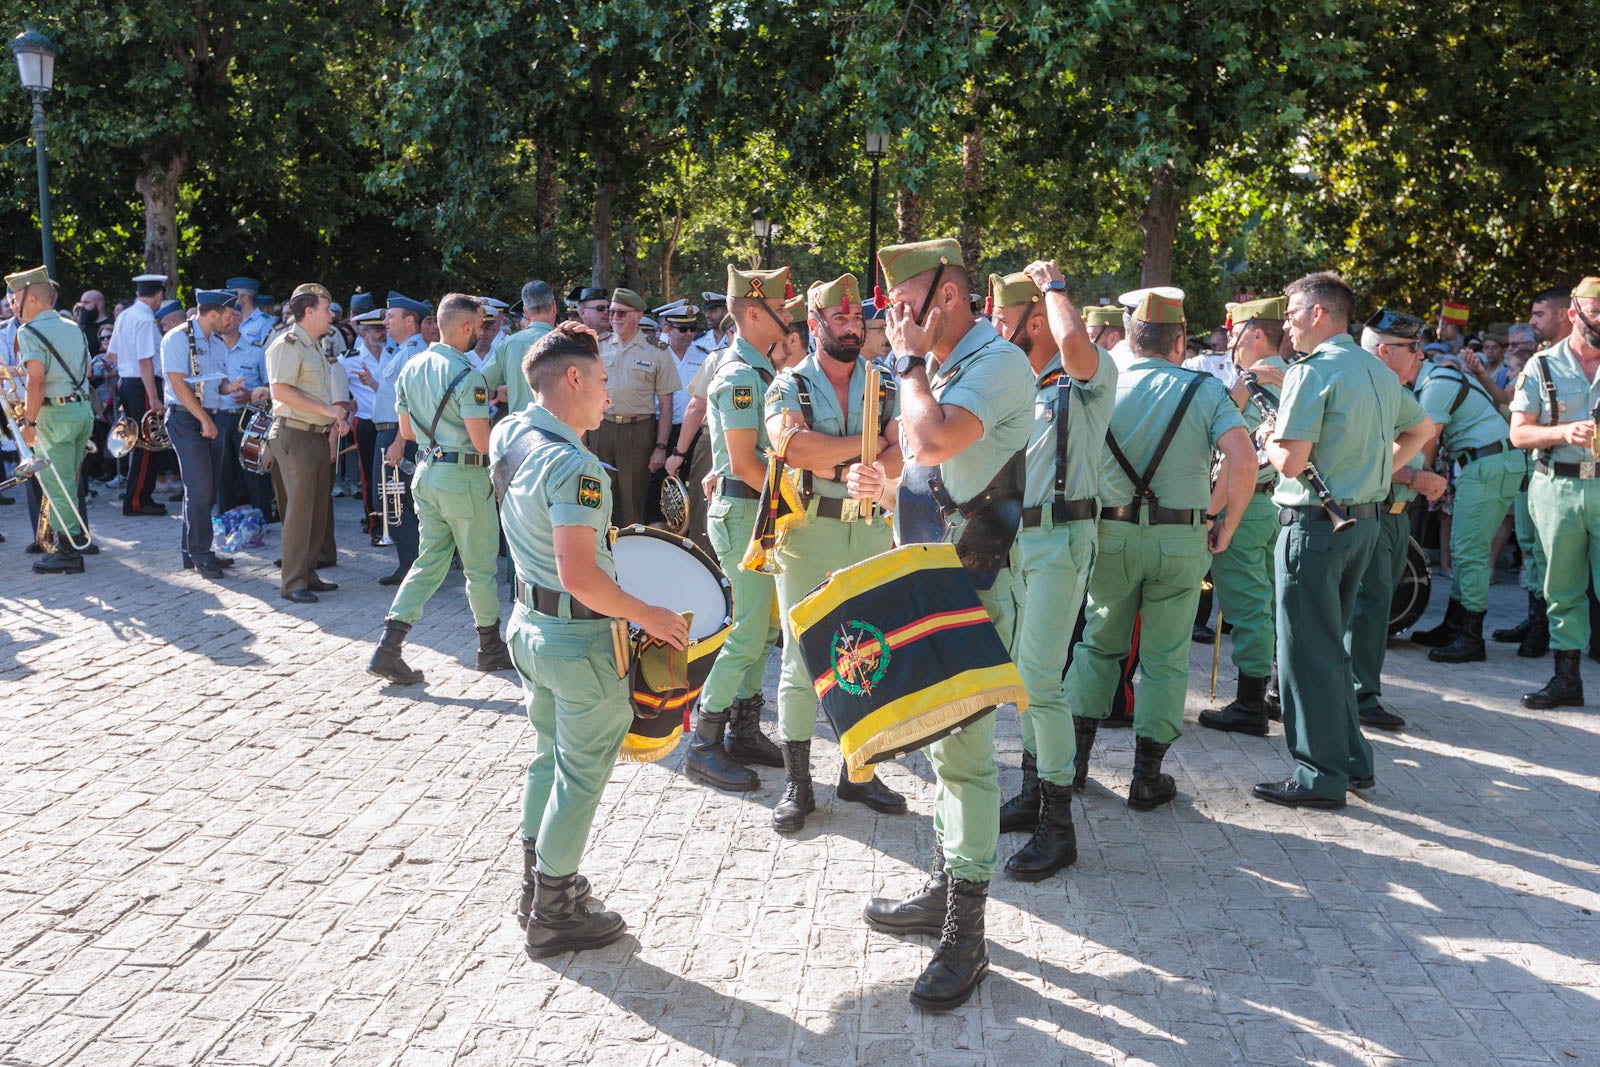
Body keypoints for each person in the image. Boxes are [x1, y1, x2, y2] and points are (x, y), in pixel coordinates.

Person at [845, 237, 1035, 1013]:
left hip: (975, 590)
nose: (892, 319)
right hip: (929, 581)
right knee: (939, 752)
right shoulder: (945, 367)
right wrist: (883, 480)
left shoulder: (994, 365)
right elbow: (927, 472)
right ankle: (945, 887)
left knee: (966, 760)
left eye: (904, 304)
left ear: (947, 300)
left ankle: (968, 934)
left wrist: (909, 367)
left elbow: (932, 436)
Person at [491, 322, 688, 957]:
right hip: (578, 642)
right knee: (579, 775)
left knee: (548, 758)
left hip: (528, 625)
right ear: (572, 378)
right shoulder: (576, 467)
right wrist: (650, 616)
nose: (608, 394)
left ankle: (535, 885)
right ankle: (555, 909)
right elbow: (580, 576)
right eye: (602, 380)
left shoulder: (509, 432)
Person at [1064, 292, 1253, 807]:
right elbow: (1244, 460)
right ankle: (1147, 777)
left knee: (1098, 645)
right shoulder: (1205, 389)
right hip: (1180, 538)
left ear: (1128, 337)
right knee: (1166, 658)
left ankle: (1073, 766)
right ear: (1177, 341)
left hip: (1112, 535)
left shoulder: (1102, 385)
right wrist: (1227, 524)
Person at [1254, 273, 1432, 809]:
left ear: (1318, 314)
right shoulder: (1376, 370)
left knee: (1305, 655)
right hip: (1363, 523)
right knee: (1331, 651)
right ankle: (1352, 761)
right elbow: (1422, 431)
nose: (1285, 323)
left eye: (1290, 313)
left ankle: (1319, 776)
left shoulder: (1312, 373)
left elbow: (1289, 460)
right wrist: (1378, 472)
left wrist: (1267, 436)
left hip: (1314, 527)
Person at [761, 274, 907, 833]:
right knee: (802, 659)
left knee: (869, 655)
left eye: (857, 320)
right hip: (809, 532)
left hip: (870, 529)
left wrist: (844, 460)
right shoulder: (787, 387)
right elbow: (793, 445)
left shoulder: (884, 383)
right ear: (814, 324)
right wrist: (866, 450)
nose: (852, 328)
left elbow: (901, 458)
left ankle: (860, 772)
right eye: (840, 320)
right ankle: (799, 784)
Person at [988, 262, 1115, 881]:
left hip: (1062, 539)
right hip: (1017, 542)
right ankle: (1035, 789)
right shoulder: (1019, 385)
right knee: (1022, 675)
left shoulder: (1085, 375)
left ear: (1035, 319)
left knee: (1040, 674)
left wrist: (1058, 287)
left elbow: (1074, 346)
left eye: (1003, 315)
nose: (993, 323)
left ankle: (1059, 826)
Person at [682, 266, 802, 792]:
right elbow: (746, 463)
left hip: (756, 509)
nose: (789, 317)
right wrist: (800, 503)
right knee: (748, 631)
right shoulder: (737, 375)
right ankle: (703, 744)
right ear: (755, 313)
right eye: (782, 307)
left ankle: (744, 729)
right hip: (746, 512)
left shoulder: (756, 369)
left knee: (762, 629)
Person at [368, 294, 514, 685]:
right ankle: (490, 648)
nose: (482, 332)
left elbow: (407, 432)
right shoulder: (470, 376)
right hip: (465, 479)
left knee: (428, 562)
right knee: (480, 567)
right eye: (481, 325)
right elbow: (483, 444)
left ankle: (389, 645)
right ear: (466, 327)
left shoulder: (411, 367)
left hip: (427, 473)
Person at [1408, 309, 1530, 665]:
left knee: (1469, 551)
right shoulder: (1439, 376)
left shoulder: (1436, 385)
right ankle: (1454, 624)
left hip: (1487, 464)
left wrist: (1411, 480)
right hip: (1487, 462)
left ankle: (1471, 637)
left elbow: (1424, 450)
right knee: (1465, 548)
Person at [1347, 311, 1447, 730]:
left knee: (1374, 609)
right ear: (1385, 352)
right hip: (1374, 512)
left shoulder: (1392, 390)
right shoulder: (1371, 390)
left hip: (1394, 514)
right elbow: (1365, 454)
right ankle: (1359, 695)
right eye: (1412, 348)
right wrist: (1415, 476)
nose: (1421, 356)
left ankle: (1361, 689)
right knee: (1366, 610)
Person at [1199, 296, 1291, 736]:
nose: (1231, 344)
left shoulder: (1255, 383)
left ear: (1256, 334)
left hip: (1248, 503)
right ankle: (1275, 693)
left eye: (1236, 334)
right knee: (1271, 601)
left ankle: (1251, 703)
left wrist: (1214, 511)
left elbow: (1237, 454)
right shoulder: (1293, 376)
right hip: (1279, 502)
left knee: (1249, 605)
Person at [1509, 276, 1600, 708]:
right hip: (1557, 484)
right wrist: (1565, 430)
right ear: (1574, 314)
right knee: (1561, 586)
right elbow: (1518, 434)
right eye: (1596, 311)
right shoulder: (1541, 366)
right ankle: (1567, 680)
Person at [6, 267, 94, 574]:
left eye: (15, 298)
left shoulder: (28, 332)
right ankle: (75, 538)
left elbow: (36, 382)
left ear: (30, 298)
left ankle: (68, 552)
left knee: (56, 486)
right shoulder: (73, 326)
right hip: (81, 411)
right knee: (69, 481)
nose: (12, 305)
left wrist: (28, 423)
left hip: (54, 415)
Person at [266, 283, 349, 604]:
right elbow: (281, 391)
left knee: (317, 510)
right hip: (295, 434)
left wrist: (333, 417)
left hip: (313, 434)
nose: (332, 315)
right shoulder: (287, 344)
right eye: (327, 309)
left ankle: (308, 572)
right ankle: (293, 582)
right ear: (309, 312)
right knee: (299, 512)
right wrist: (328, 410)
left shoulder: (314, 345)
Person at [160, 288, 251, 578]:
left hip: (209, 415)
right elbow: (178, 384)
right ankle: (202, 554)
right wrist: (204, 420)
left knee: (205, 489)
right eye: (229, 314)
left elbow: (215, 383)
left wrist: (230, 388)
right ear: (213, 313)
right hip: (187, 418)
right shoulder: (176, 338)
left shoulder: (217, 343)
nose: (232, 320)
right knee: (200, 488)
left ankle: (192, 551)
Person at [594, 288, 681, 526]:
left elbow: (666, 404)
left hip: (638, 431)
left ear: (638, 316)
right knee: (599, 494)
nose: (614, 318)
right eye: (610, 312)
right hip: (601, 428)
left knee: (633, 500)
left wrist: (661, 447)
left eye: (621, 313)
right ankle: (603, 554)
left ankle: (630, 556)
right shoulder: (598, 346)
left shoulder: (657, 352)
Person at [376, 293, 430, 584]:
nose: (385, 322)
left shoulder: (412, 352)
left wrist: (398, 441)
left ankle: (412, 565)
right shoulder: (401, 350)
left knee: (396, 497)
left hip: (397, 436)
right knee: (393, 497)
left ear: (410, 321)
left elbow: (411, 403)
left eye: (390, 316)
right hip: (390, 433)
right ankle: (411, 562)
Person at [106, 273, 169, 516]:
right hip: (143, 384)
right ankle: (136, 501)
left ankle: (142, 496)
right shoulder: (144, 320)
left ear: (137, 294)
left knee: (144, 444)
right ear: (159, 295)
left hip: (129, 382)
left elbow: (113, 355)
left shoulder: (125, 316)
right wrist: (153, 397)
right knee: (146, 444)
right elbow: (145, 361)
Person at [215, 299, 275, 519]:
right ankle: (225, 519)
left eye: (231, 317)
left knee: (254, 471)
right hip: (220, 416)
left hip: (248, 416)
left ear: (240, 320)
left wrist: (250, 394)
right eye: (223, 316)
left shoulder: (256, 351)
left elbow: (271, 385)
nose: (226, 321)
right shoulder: (212, 349)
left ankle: (262, 518)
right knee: (222, 473)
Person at [342, 309, 386, 539]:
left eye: (383, 328)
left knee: (392, 476)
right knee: (369, 477)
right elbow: (335, 387)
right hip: (367, 423)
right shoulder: (349, 359)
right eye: (377, 329)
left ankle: (396, 524)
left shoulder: (394, 352)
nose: (382, 333)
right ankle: (376, 526)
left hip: (392, 422)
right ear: (364, 333)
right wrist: (346, 405)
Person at [496, 281, 559, 417]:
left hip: (519, 430)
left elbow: (478, 381)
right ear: (554, 307)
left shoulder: (508, 344)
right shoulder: (568, 343)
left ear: (525, 312)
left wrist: (496, 394)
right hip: (556, 431)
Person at [227, 277, 275, 348]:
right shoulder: (232, 320)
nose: (231, 298)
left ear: (245, 298)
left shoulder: (265, 321)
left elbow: (268, 350)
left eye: (234, 295)